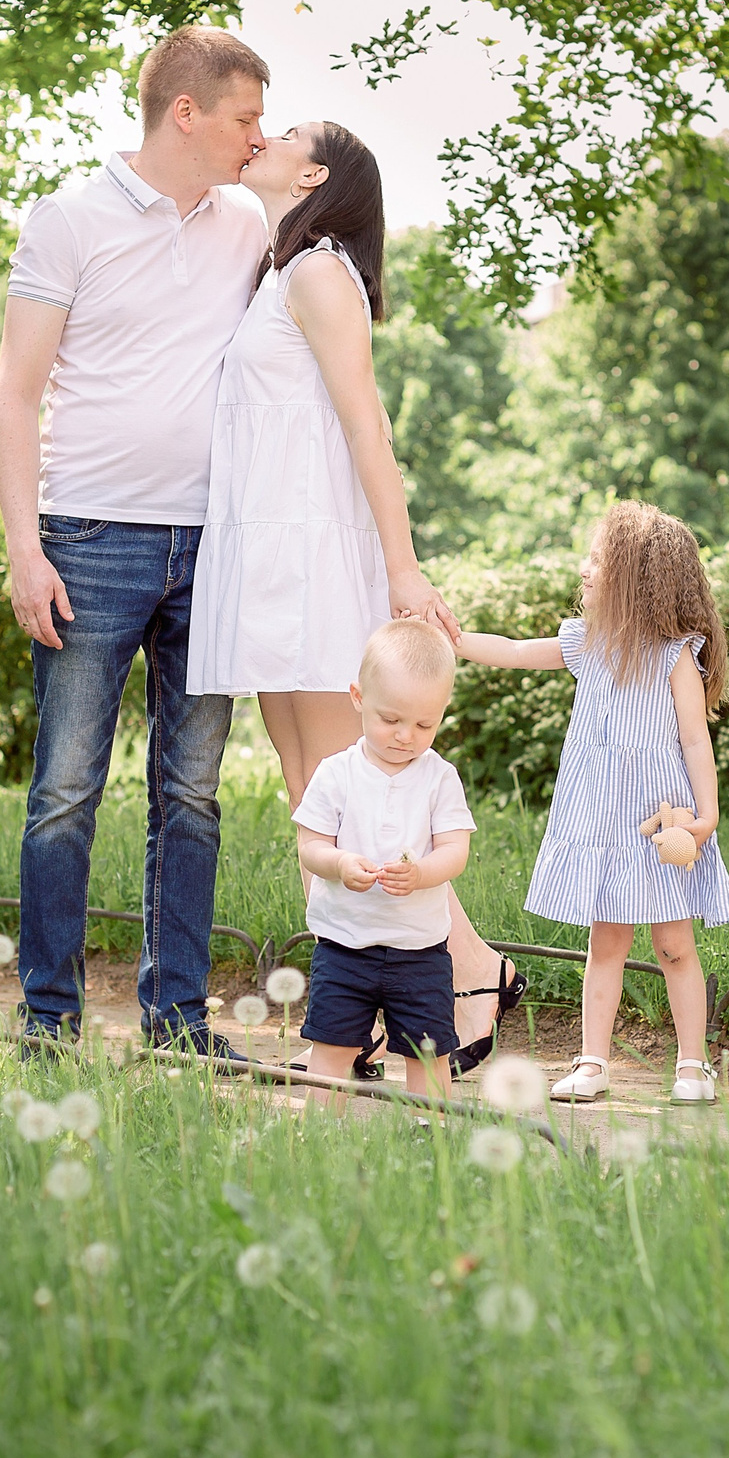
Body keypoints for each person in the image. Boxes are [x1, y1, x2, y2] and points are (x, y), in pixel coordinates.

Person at [186, 117, 521, 1075]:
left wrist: (402, 565)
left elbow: (367, 427)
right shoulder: (279, 271)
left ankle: (467, 968)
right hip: (268, 555)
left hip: (318, 556)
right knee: (314, 796)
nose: (261, 137)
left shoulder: (324, 270)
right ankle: (367, 1005)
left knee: (361, 798)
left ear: (316, 172)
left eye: (280, 132)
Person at [0, 26, 272, 1057]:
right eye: (244, 117)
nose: (259, 135)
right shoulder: (67, 220)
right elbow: (15, 397)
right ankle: (49, 1021)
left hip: (213, 546)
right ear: (185, 113)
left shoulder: (246, 219)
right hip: (89, 539)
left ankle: (176, 1021)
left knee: (190, 797)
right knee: (66, 793)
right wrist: (27, 549)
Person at [456, 502, 729, 1104]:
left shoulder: (673, 656)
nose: (583, 571)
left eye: (596, 560)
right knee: (605, 943)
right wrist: (450, 638)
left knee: (674, 946)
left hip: (658, 826)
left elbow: (695, 738)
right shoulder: (589, 644)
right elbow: (511, 650)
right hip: (604, 824)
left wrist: (706, 817)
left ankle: (692, 1065)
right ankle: (593, 1062)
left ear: (635, 579)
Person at [291, 620, 474, 1098]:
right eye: (390, 719)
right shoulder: (336, 774)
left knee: (429, 1055)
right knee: (330, 1049)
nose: (405, 736)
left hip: (420, 951)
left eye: (423, 725)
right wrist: (340, 865)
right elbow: (311, 846)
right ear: (358, 697)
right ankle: (319, 1138)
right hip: (343, 946)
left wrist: (421, 875)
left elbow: (455, 850)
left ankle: (431, 1135)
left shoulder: (439, 778)